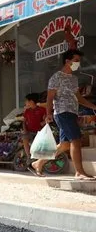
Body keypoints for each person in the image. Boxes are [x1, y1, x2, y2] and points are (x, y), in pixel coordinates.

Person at [31, 49, 96, 179]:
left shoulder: (73, 79)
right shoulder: (56, 77)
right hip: (62, 112)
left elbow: (78, 97)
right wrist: (48, 113)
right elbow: (50, 98)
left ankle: (38, 163)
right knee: (76, 141)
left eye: (78, 61)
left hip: (72, 112)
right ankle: (80, 172)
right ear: (67, 61)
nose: (78, 63)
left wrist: (93, 106)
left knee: (65, 144)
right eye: (76, 61)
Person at [17, 93, 47, 161]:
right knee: (25, 137)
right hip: (29, 131)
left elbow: (46, 120)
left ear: (31, 102)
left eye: (26, 101)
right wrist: (24, 130)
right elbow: (24, 121)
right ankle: (28, 157)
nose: (25, 102)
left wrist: (44, 123)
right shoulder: (27, 111)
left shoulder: (42, 109)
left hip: (39, 132)